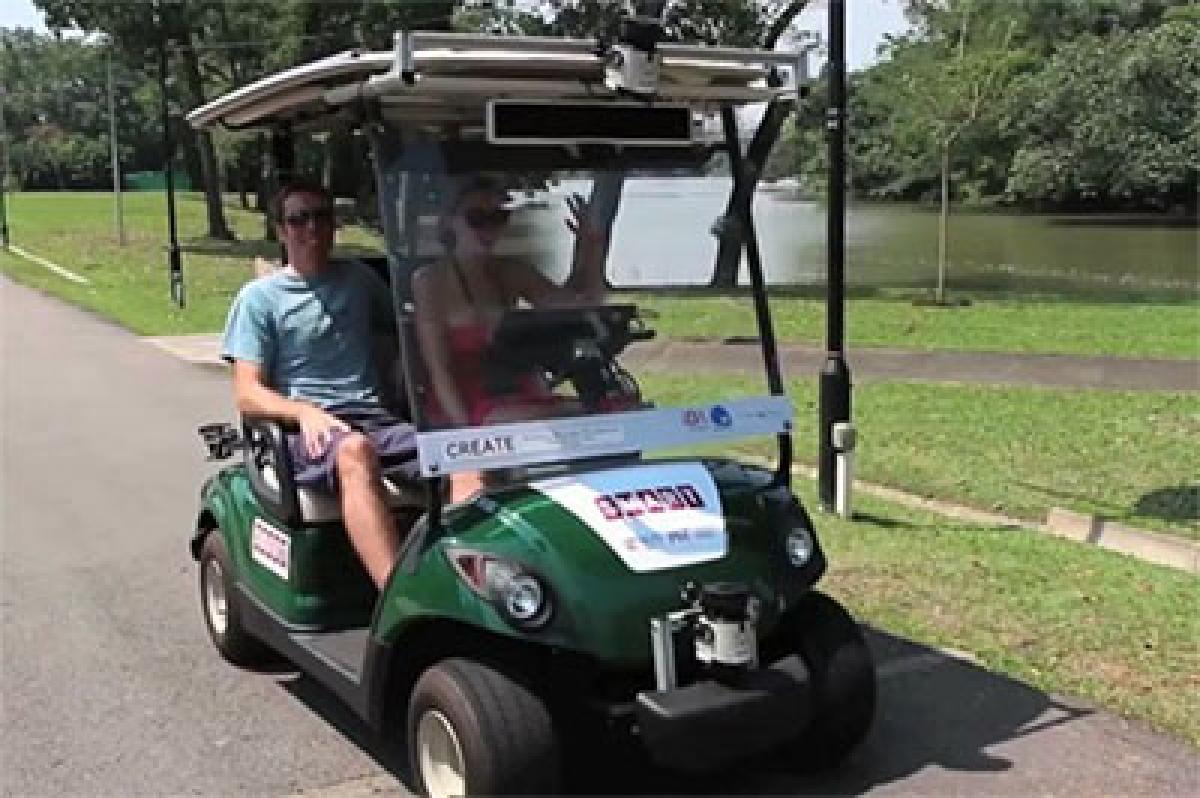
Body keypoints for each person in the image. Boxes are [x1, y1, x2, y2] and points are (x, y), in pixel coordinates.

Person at [222, 181, 414, 589]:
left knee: (460, 452)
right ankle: (401, 600)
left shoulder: (360, 281)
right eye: (298, 219)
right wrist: (306, 412)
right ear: (281, 230)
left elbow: (404, 333)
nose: (312, 227)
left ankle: (472, 585)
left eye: (322, 216)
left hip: (375, 419)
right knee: (355, 450)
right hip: (304, 431)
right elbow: (247, 393)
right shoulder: (259, 299)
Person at [411, 176, 606, 500]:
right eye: (477, 218)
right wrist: (468, 440)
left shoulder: (511, 271)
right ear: (450, 222)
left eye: (499, 217)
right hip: (462, 399)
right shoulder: (430, 281)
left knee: (600, 412)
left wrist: (591, 248)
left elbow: (579, 307)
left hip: (517, 390)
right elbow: (438, 370)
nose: (489, 228)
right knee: (562, 421)